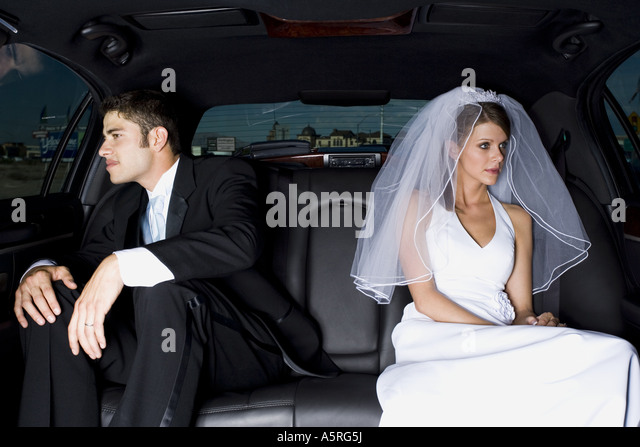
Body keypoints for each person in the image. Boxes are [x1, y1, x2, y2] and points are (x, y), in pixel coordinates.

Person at [13, 90, 306, 426]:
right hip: (156, 348)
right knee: (50, 301)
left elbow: (242, 240)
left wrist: (123, 265)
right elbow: (89, 259)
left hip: (235, 350)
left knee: (164, 287)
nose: (102, 149)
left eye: (116, 136)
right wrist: (41, 271)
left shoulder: (224, 174)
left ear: (156, 138)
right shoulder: (121, 201)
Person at [351, 86, 640, 426]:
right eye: (485, 146)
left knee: (620, 354)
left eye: (502, 145)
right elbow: (426, 299)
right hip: (435, 334)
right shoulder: (417, 206)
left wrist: (532, 325)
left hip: (502, 332)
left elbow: (522, 309)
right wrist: (501, 337)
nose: (498, 157)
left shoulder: (518, 218)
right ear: (453, 149)